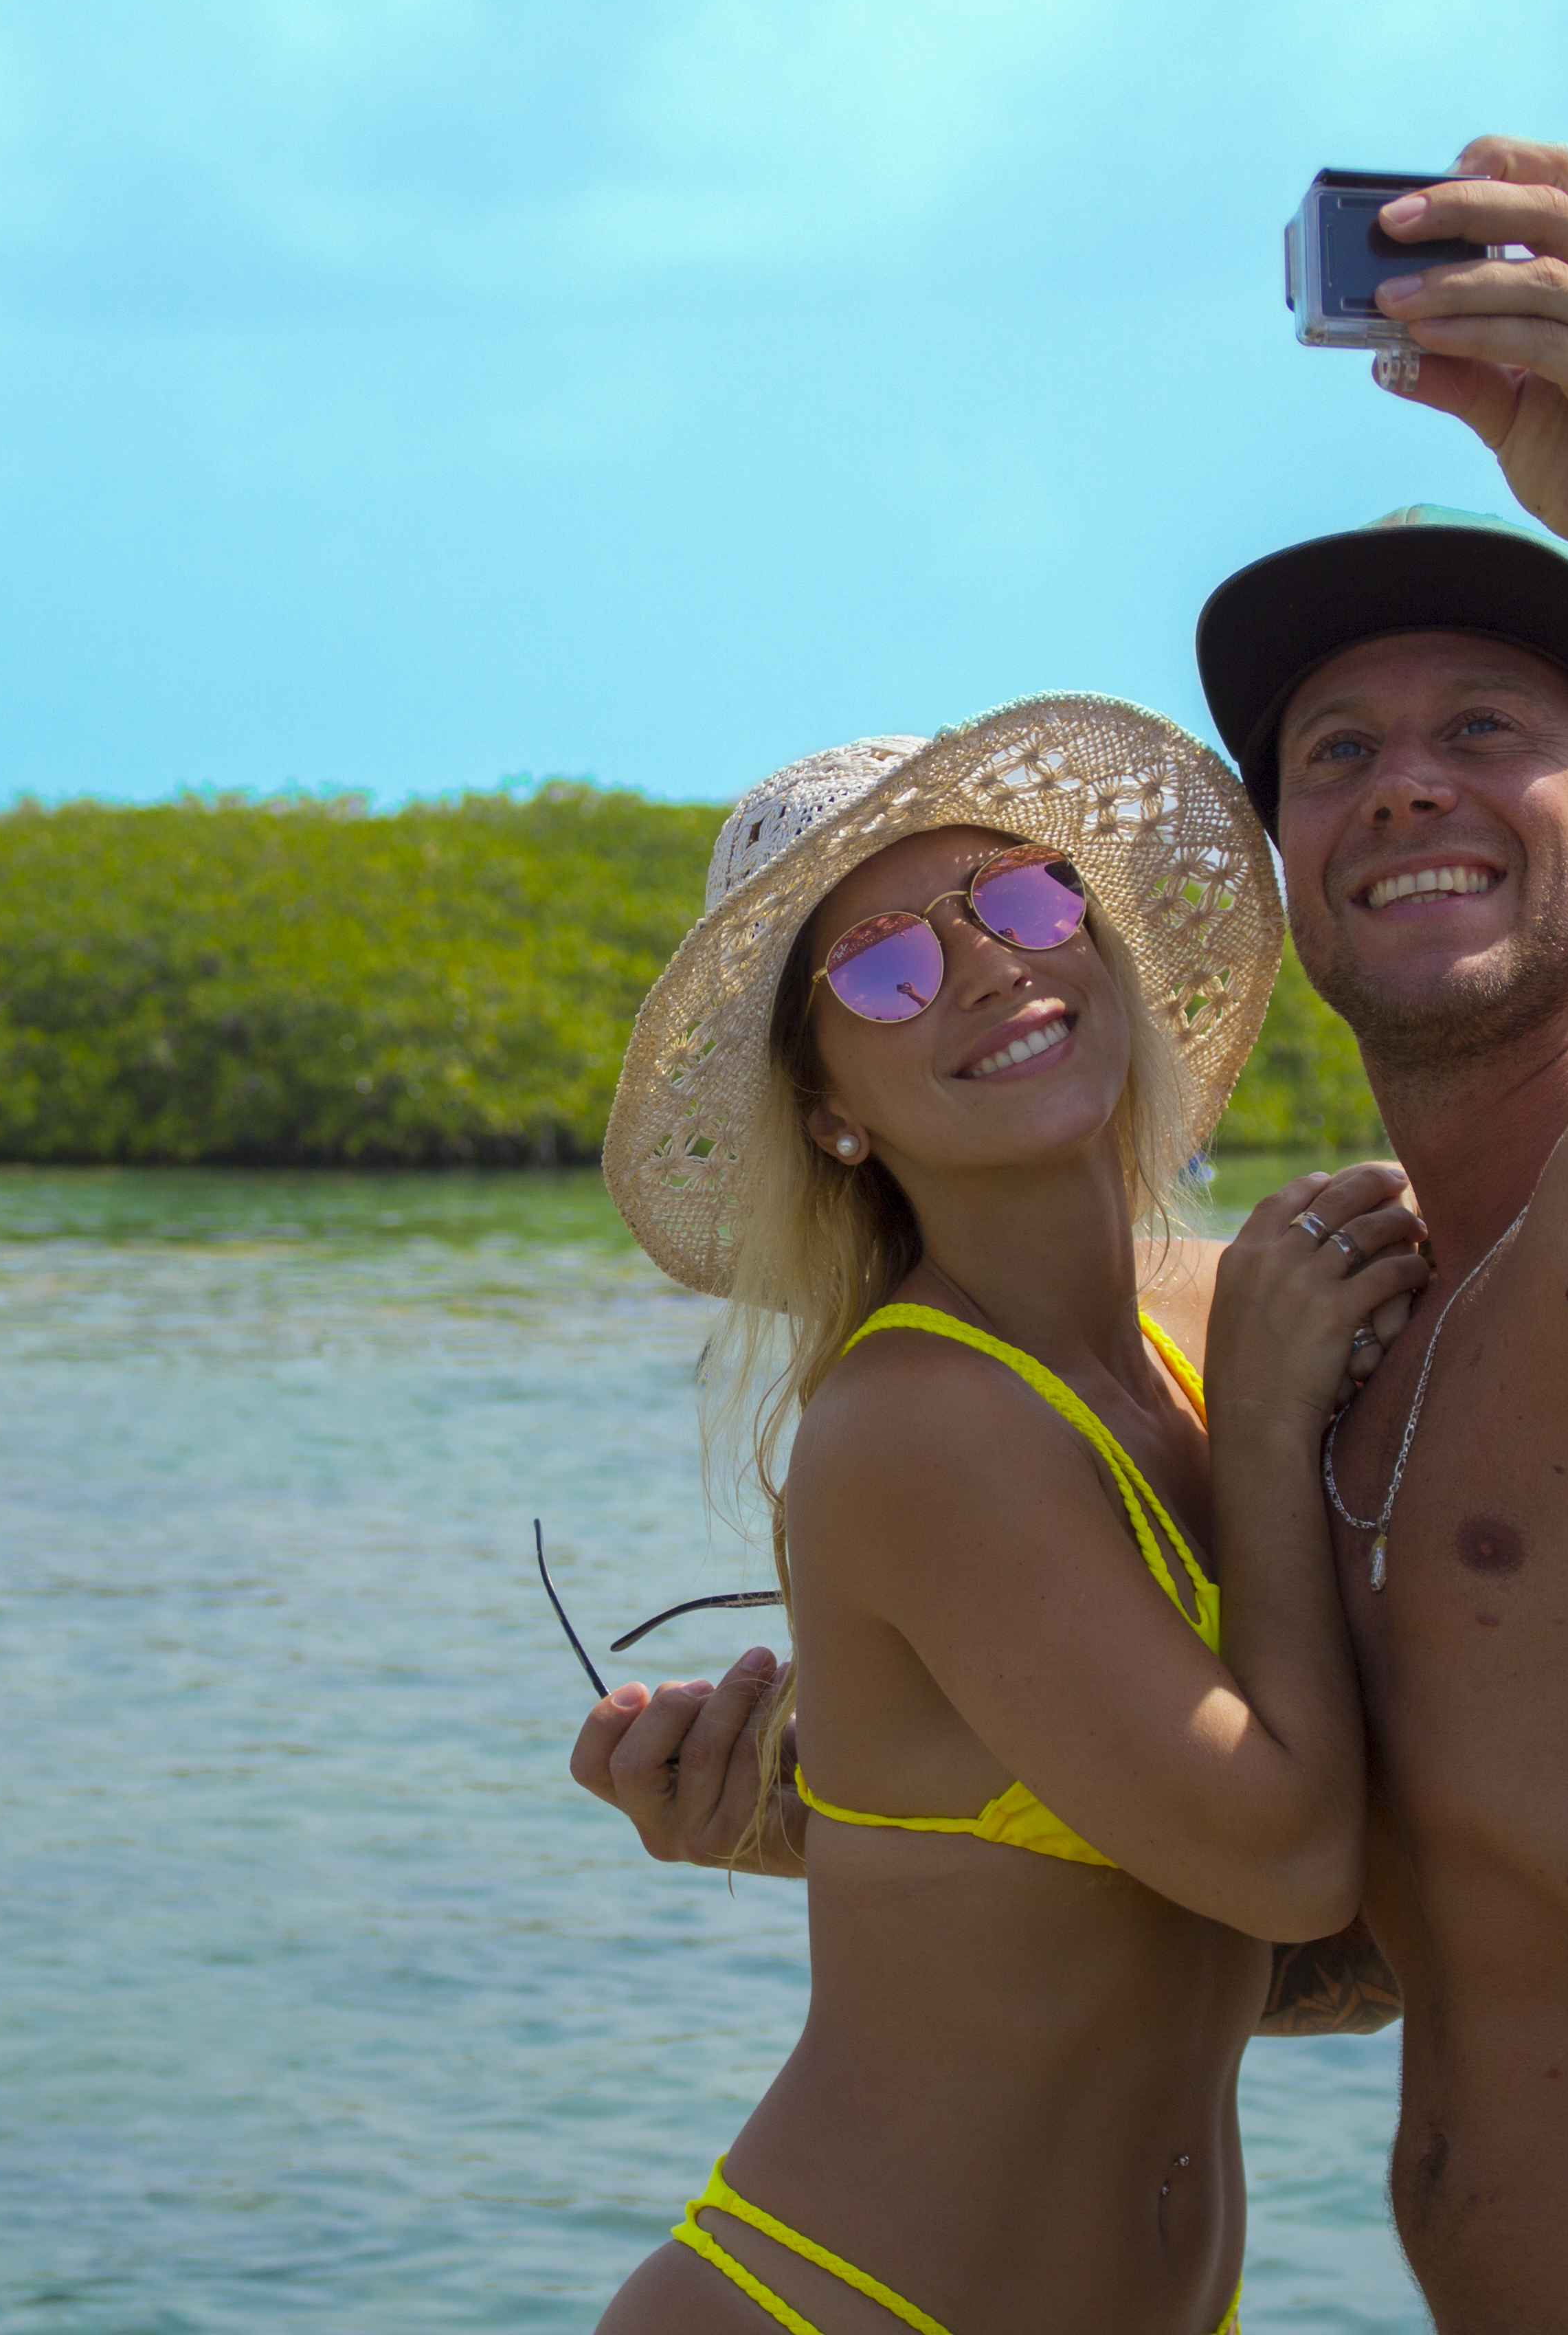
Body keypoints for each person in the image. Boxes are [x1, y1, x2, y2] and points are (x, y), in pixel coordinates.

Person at [579, 142, 1568, 2335]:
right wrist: (893, 1830)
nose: (1406, 784)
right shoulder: (1341, 1333)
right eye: (1337, 752)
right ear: (1276, 857)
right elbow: (1381, 1938)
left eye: (1495, 731)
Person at [583, 697, 1432, 2335]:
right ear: (833, 1107)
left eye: (1029, 900)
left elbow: (1326, 1931)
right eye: (885, 971)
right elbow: (1287, 1856)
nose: (984, 965)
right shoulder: (918, 1429)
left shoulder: (1214, 1309)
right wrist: (1265, 1426)